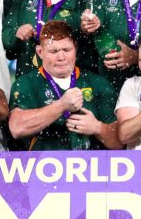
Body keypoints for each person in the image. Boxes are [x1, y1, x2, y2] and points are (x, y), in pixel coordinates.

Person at [9, 20, 121, 151]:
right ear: (40, 52)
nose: (61, 57)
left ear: (75, 49)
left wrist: (97, 128)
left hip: (91, 168)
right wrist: (61, 106)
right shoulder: (26, 83)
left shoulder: (97, 83)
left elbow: (119, 143)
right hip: (44, 167)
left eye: (67, 50)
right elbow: (16, 128)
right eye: (54, 51)